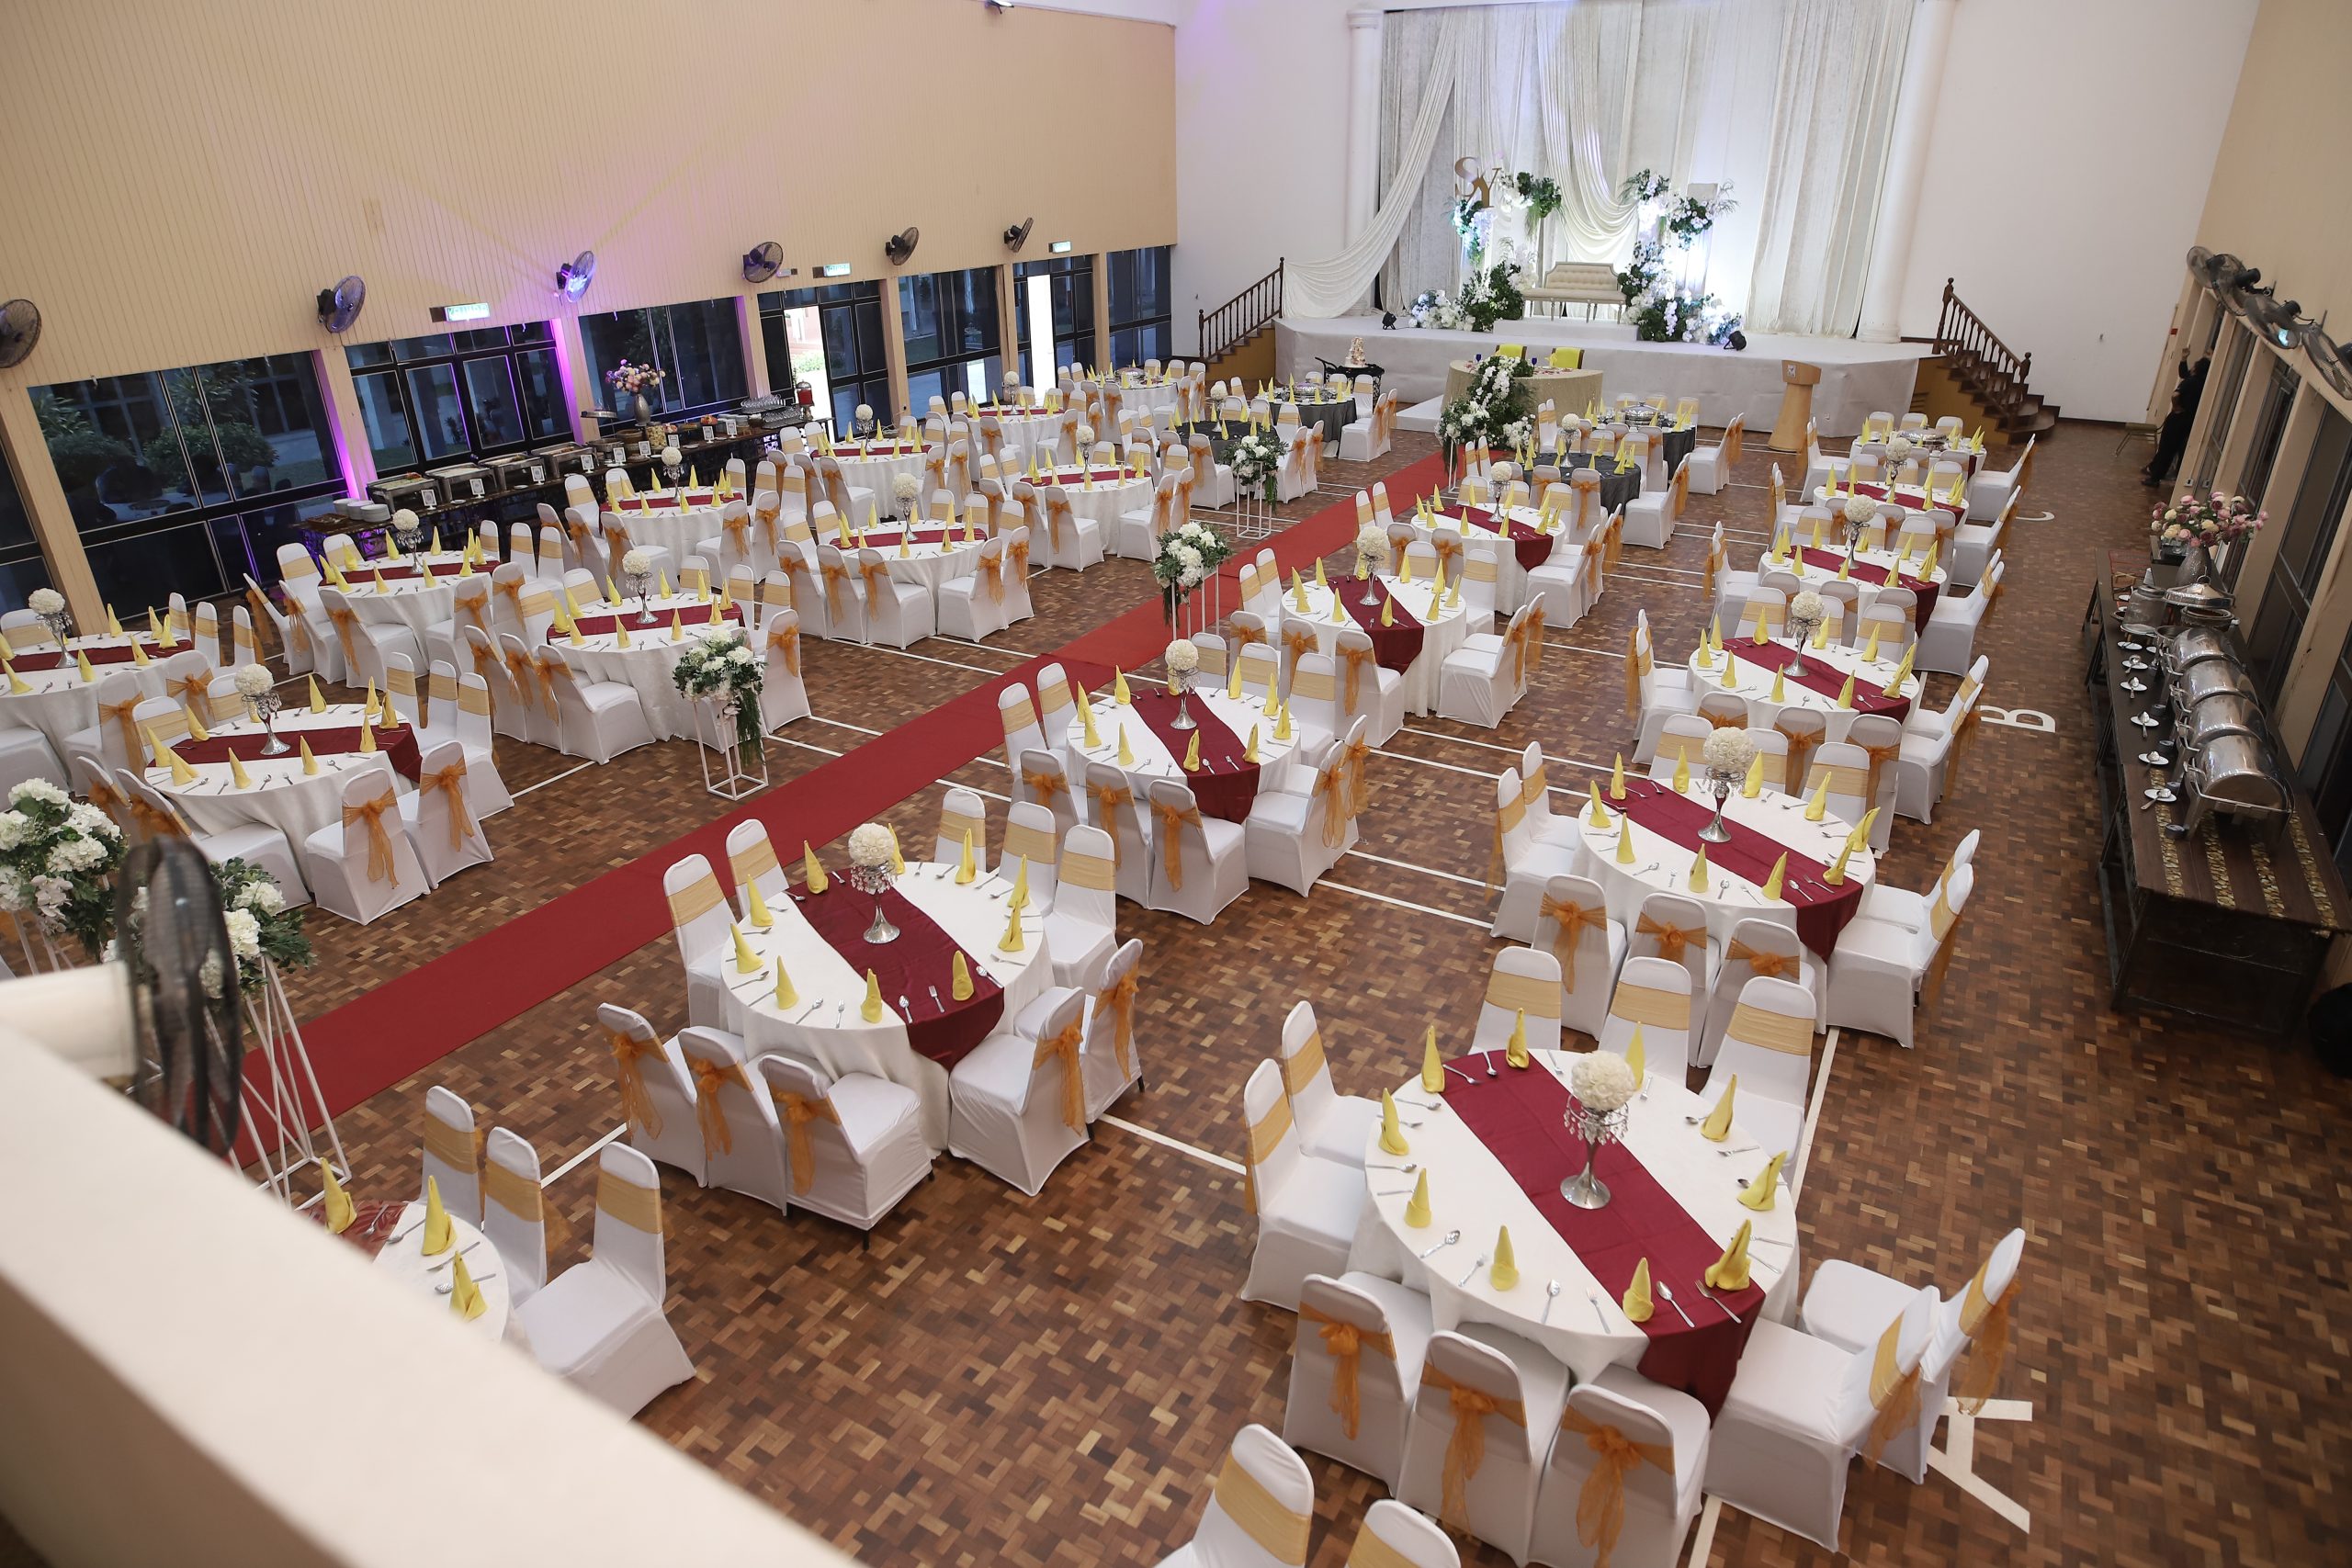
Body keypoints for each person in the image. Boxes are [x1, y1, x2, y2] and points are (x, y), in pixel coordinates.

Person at [2145, 354, 2210, 487]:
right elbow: (2184, 373)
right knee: (2176, 448)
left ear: (2196, 368)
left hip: (2178, 418)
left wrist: (2176, 407)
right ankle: (2160, 472)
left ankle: (2155, 477)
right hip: (2189, 421)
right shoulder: (2204, 384)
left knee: (2166, 448)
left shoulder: (2190, 381)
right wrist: (2183, 360)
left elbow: (2175, 395)